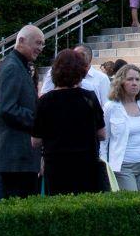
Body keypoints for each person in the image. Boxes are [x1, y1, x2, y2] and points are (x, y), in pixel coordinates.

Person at [32, 49, 108, 196]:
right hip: (86, 164)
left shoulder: (45, 101)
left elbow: (35, 141)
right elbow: (102, 134)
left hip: (56, 164)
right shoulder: (89, 98)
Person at [0, 25, 44, 199]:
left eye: (43, 44)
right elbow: (7, 108)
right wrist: (37, 121)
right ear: (21, 41)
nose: (40, 48)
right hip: (12, 157)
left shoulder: (19, 65)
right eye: (38, 43)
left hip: (17, 157)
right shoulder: (12, 67)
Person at [101, 64, 140, 191]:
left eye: (137, 79)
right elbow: (104, 139)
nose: (134, 83)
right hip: (123, 166)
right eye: (130, 79)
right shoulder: (111, 107)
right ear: (120, 82)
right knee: (132, 201)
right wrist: (104, 163)